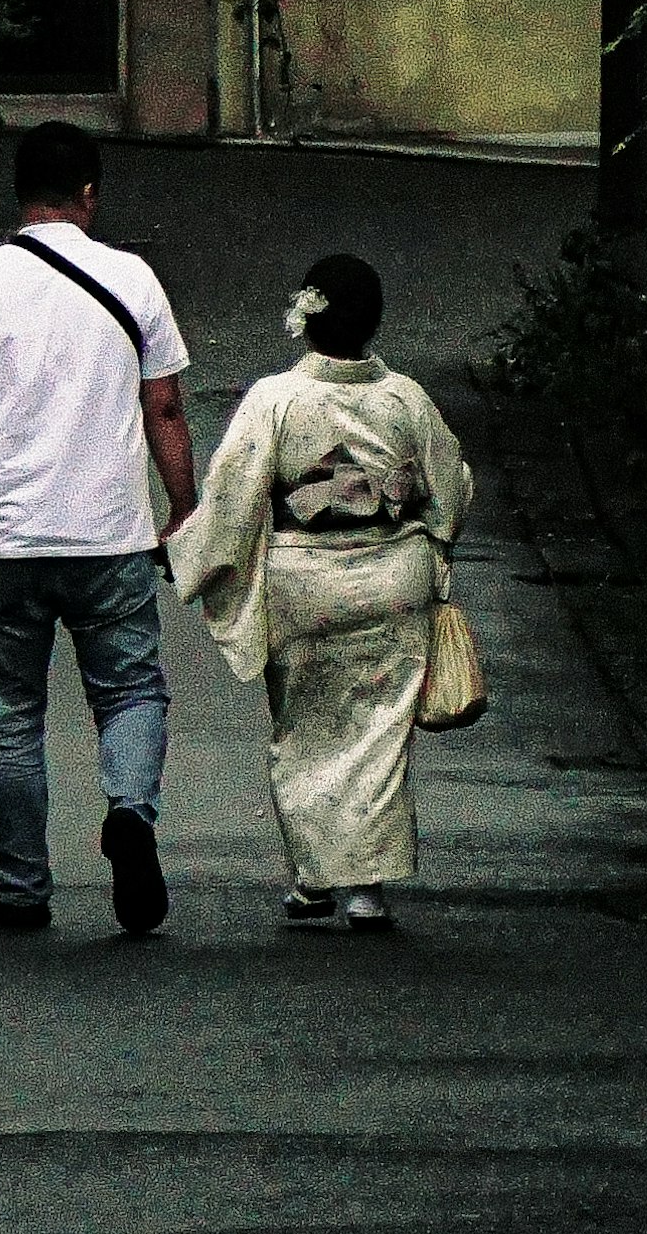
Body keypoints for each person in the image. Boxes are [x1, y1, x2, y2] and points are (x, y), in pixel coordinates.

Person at [0, 124, 197, 940]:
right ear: (89, 192)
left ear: (20, 194)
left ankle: (23, 888)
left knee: (11, 713)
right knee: (129, 690)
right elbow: (162, 406)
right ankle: (129, 808)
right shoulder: (133, 279)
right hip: (110, 537)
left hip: (4, 542)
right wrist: (185, 508)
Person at [166, 251, 472, 931]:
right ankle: (366, 888)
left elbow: (234, 496)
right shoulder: (405, 398)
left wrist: (190, 558)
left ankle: (314, 879)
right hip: (393, 575)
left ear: (306, 320)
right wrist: (432, 540)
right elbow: (449, 488)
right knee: (380, 731)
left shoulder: (278, 399)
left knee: (307, 731)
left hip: (306, 581)